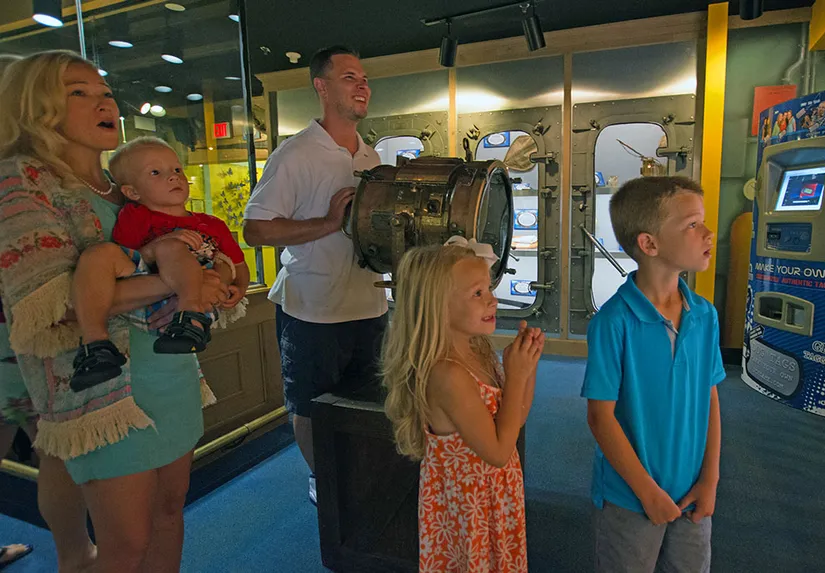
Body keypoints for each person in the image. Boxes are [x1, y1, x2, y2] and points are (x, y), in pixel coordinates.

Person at [0, 50, 228, 573]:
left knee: (170, 513)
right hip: (102, 392)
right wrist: (177, 280)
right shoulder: (23, 182)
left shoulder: (121, 186)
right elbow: (50, 306)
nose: (103, 101)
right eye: (78, 91)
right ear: (36, 105)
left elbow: (187, 254)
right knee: (124, 545)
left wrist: (210, 276)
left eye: (104, 91)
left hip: (171, 372)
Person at [243, 45, 387, 505]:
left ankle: (357, 473)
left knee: (367, 398)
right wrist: (326, 224)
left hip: (369, 303)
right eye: (349, 77)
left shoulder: (374, 158)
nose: (362, 85)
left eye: (363, 77)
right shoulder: (295, 154)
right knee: (310, 403)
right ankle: (322, 477)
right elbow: (255, 229)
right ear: (321, 87)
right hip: (312, 310)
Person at [583, 176, 725, 573]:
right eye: (693, 224)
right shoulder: (613, 322)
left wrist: (710, 479)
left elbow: (709, 397)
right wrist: (647, 494)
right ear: (649, 244)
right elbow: (600, 417)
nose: (708, 233)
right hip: (629, 498)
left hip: (692, 493)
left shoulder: (705, 315)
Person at [382, 242, 544, 572]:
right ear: (438, 306)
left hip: (495, 497)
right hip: (469, 509)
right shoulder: (447, 375)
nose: (492, 300)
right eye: (477, 293)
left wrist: (527, 369)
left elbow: (512, 423)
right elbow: (498, 452)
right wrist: (517, 376)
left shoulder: (479, 352)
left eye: (489, 289)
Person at [0, 52, 98, 573]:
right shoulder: (21, 176)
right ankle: (75, 555)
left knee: (53, 451)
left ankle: (75, 554)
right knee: (55, 449)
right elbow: (50, 290)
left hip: (21, 336)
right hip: (29, 339)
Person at [69, 137, 249, 389]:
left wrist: (239, 289)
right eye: (156, 172)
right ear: (132, 192)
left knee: (170, 246)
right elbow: (127, 257)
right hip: (145, 290)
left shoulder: (212, 224)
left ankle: (190, 317)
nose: (174, 177)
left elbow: (237, 264)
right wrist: (153, 249)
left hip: (194, 299)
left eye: (177, 170)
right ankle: (96, 345)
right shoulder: (133, 216)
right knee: (98, 254)